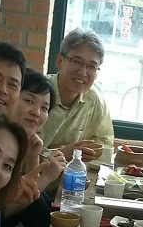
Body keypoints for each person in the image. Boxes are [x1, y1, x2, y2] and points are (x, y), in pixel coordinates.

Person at [0, 68, 67, 227]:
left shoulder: (21, 140)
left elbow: (26, 191)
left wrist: (32, 157)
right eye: (29, 101)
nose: (36, 113)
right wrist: (46, 177)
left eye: (44, 108)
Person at [38, 28, 114, 169]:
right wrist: (66, 153)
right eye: (77, 62)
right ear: (60, 61)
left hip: (73, 176)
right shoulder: (38, 93)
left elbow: (105, 145)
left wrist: (88, 153)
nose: (83, 72)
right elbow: (23, 152)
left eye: (91, 66)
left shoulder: (95, 100)